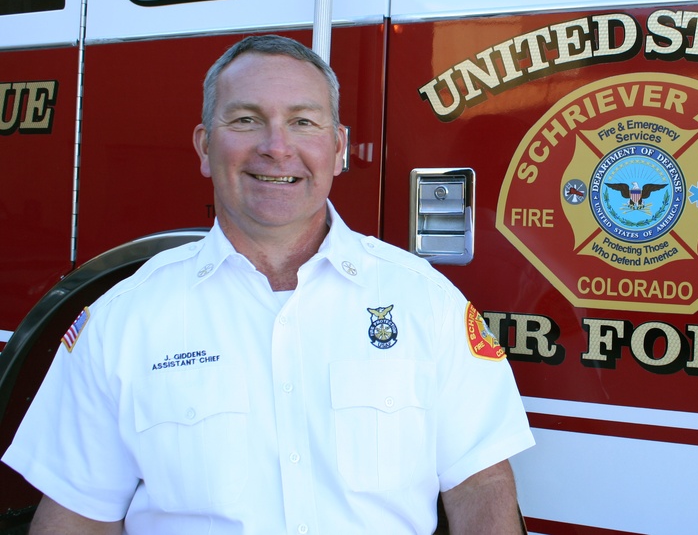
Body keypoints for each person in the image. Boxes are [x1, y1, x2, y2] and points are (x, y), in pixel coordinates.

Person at [2, 35, 535, 534]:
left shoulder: (428, 302)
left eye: (303, 121)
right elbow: (77, 516)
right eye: (246, 120)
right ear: (205, 146)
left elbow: (481, 485)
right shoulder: (123, 319)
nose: (277, 148)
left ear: (339, 146)